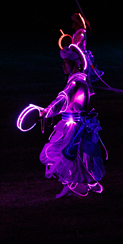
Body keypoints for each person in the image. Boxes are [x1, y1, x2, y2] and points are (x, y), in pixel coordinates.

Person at [16, 44, 106, 198]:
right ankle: (81, 185)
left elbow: (62, 99)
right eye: (62, 63)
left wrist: (46, 112)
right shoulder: (79, 80)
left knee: (58, 155)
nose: (63, 66)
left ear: (76, 63)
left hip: (72, 127)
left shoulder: (75, 83)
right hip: (76, 125)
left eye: (66, 62)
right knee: (75, 158)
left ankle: (77, 186)